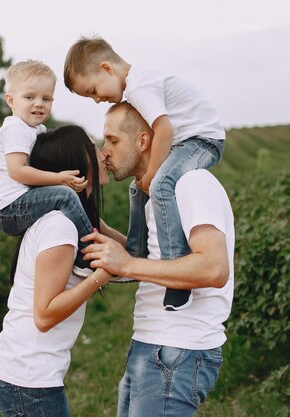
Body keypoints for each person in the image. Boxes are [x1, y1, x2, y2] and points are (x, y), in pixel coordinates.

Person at [82, 102, 235, 417]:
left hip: (178, 350)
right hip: (153, 345)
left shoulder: (190, 183)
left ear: (142, 141)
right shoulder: (154, 197)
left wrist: (126, 265)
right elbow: (154, 261)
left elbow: (214, 267)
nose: (105, 151)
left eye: (112, 140)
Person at [64, 36, 226, 309]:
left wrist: (152, 173)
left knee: (161, 183)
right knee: (136, 188)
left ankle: (175, 273)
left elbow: (163, 129)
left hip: (203, 140)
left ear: (106, 69)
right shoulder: (137, 87)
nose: (95, 99)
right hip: (187, 140)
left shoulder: (140, 87)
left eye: (93, 90)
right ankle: (136, 253)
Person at [0, 125, 113, 417]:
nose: (103, 153)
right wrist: (98, 277)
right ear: (75, 162)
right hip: (27, 380)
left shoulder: (76, 219)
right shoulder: (60, 226)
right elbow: (44, 316)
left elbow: (127, 256)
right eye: (94, 147)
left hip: (27, 375)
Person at [0, 60, 94, 277]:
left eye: (46, 99)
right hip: (9, 208)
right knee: (65, 196)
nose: (39, 104)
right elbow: (17, 172)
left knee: (64, 197)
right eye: (29, 97)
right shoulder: (16, 128)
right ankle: (88, 255)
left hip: (17, 203)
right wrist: (59, 178)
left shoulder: (36, 129)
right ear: (11, 100)